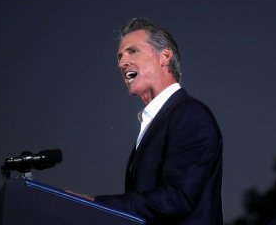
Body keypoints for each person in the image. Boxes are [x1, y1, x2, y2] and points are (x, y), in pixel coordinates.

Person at [94, 18, 223, 225]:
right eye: (119, 56)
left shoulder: (190, 114)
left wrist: (97, 205)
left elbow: (177, 198)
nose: (121, 62)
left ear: (164, 57)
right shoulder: (157, 123)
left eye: (132, 51)